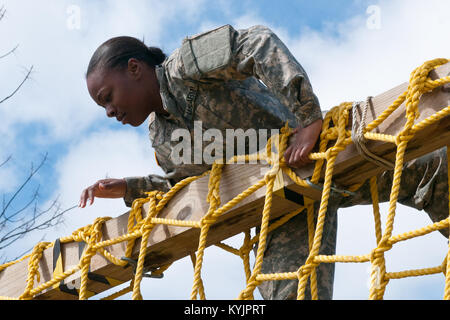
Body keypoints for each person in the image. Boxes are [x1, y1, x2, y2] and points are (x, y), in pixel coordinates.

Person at [79, 24, 449, 300]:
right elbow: (187, 189)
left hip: (318, 154)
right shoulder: (161, 139)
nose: (110, 111)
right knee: (288, 293)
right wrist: (131, 188)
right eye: (102, 107)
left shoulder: (184, 69)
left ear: (134, 68)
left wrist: (307, 118)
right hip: (279, 205)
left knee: (432, 167)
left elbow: (256, 43)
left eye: (107, 97)